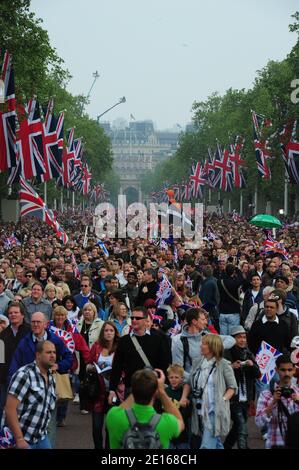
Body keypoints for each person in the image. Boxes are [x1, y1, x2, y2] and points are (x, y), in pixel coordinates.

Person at [181, 334, 237, 449]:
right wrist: (184, 397)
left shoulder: (224, 365)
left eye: (204, 344)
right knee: (215, 443)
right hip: (199, 410)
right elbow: (188, 382)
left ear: (212, 347)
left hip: (214, 410)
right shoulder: (197, 362)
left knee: (206, 445)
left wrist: (222, 400)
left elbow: (232, 388)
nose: (200, 346)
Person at [106, 368, 184, 449]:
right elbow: (180, 422)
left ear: (133, 389)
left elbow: (122, 407)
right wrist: (161, 391)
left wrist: (139, 385)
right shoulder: (166, 422)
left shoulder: (114, 416)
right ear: (155, 392)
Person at [108, 306, 171, 404]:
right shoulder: (124, 341)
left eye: (137, 318)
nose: (134, 320)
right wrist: (112, 389)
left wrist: (162, 386)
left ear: (146, 321)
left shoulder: (159, 339)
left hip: (153, 388)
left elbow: (165, 364)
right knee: (131, 418)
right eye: (132, 318)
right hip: (131, 389)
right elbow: (117, 366)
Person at [4, 340, 56, 449]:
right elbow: (10, 409)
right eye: (48, 352)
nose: (52, 355)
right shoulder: (24, 375)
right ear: (38, 355)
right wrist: (19, 439)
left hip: (41, 437)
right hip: (21, 439)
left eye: (54, 352)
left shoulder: (51, 377)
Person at [223, 325, 260, 449]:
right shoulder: (226, 353)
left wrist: (252, 365)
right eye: (239, 337)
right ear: (233, 339)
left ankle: (226, 446)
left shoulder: (248, 353)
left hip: (246, 398)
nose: (243, 340)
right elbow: (220, 373)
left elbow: (258, 374)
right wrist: (231, 367)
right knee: (242, 427)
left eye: (244, 337)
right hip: (233, 398)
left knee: (239, 426)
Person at [86, 321, 120, 449]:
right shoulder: (96, 346)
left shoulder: (120, 347)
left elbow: (124, 368)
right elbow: (89, 363)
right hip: (97, 391)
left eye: (111, 330)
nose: (108, 333)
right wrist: (93, 368)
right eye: (106, 330)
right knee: (96, 426)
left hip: (114, 391)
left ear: (115, 333)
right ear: (102, 332)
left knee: (110, 427)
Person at [171, 307, 235, 375]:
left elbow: (231, 339)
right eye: (203, 319)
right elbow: (177, 370)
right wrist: (194, 380)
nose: (206, 322)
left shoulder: (207, 336)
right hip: (192, 383)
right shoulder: (180, 342)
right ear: (194, 321)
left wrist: (216, 348)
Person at [255, 354, 299, 448]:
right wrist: (273, 402)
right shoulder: (266, 395)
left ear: (294, 370)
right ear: (276, 370)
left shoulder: (298, 393)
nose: (286, 374)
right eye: (283, 370)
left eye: (289, 370)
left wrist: (298, 401)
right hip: (275, 444)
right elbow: (259, 422)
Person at [0, 302, 30, 423]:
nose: (13, 315)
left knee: (25, 413)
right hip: (6, 381)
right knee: (6, 412)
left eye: (16, 312)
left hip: (27, 380)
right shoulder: (2, 335)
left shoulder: (30, 332)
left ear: (22, 315)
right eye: (11, 313)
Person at [77, 302, 104, 413]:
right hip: (81, 356)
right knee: (82, 380)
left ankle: (94, 403)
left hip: (94, 356)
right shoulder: (78, 324)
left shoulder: (100, 324)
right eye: (85, 310)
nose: (87, 312)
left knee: (94, 380)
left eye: (90, 310)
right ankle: (84, 405)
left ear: (94, 312)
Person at [165, 364, 191, 449]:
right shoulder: (165, 392)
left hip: (182, 435)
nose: (173, 380)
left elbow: (188, 413)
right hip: (167, 434)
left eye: (176, 377)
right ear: (168, 378)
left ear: (182, 378)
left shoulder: (184, 393)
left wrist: (186, 405)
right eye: (171, 377)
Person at [218, 264, 244, 335]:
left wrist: (225, 270)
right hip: (233, 312)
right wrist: (238, 269)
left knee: (223, 337)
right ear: (234, 272)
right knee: (233, 336)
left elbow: (222, 275)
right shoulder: (236, 282)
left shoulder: (220, 282)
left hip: (222, 312)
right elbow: (242, 279)